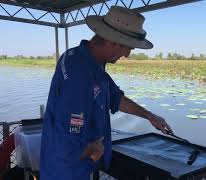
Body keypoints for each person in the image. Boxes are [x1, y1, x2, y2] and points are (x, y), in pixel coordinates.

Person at [40, 6, 173, 180]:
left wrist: (149, 115)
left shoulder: (89, 61)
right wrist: (93, 149)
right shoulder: (79, 75)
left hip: (80, 167)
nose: (127, 54)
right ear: (113, 42)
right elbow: (67, 146)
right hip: (67, 172)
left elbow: (115, 97)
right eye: (128, 48)